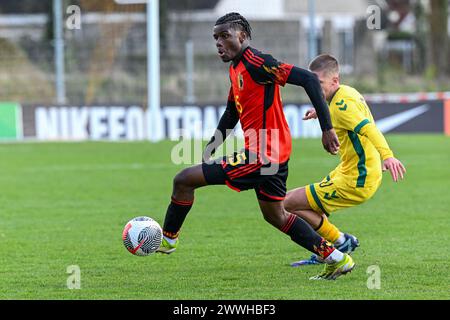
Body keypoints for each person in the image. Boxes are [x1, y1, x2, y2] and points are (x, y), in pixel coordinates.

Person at [157, 12, 354, 280]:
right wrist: (212, 146)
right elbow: (232, 112)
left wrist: (327, 128)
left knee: (183, 180)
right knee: (277, 216)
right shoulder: (236, 68)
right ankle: (336, 257)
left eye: (225, 36)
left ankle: (167, 241)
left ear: (242, 36)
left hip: (263, 154)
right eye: (215, 37)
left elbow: (308, 79)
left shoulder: (258, 62)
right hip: (271, 154)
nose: (219, 43)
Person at [284, 54, 406, 266]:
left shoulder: (342, 105)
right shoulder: (347, 92)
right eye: (311, 83)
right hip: (353, 171)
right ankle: (329, 250)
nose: (314, 88)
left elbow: (369, 128)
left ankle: (340, 243)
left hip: (356, 178)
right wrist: (320, 112)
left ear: (335, 80)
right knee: (313, 209)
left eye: (318, 83)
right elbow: (347, 113)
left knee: (284, 204)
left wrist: (388, 156)